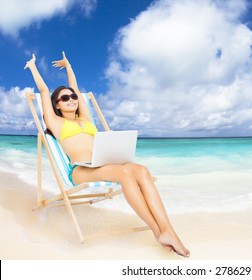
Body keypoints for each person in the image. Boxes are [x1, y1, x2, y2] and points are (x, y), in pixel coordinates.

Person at [24, 52, 190, 258]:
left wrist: (69, 66)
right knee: (125, 174)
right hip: (80, 170)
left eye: (73, 97)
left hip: (102, 163)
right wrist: (32, 66)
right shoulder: (56, 123)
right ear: (56, 104)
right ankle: (159, 232)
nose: (71, 99)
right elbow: (43, 89)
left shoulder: (85, 118)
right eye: (64, 98)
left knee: (141, 170)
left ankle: (168, 230)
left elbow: (76, 88)